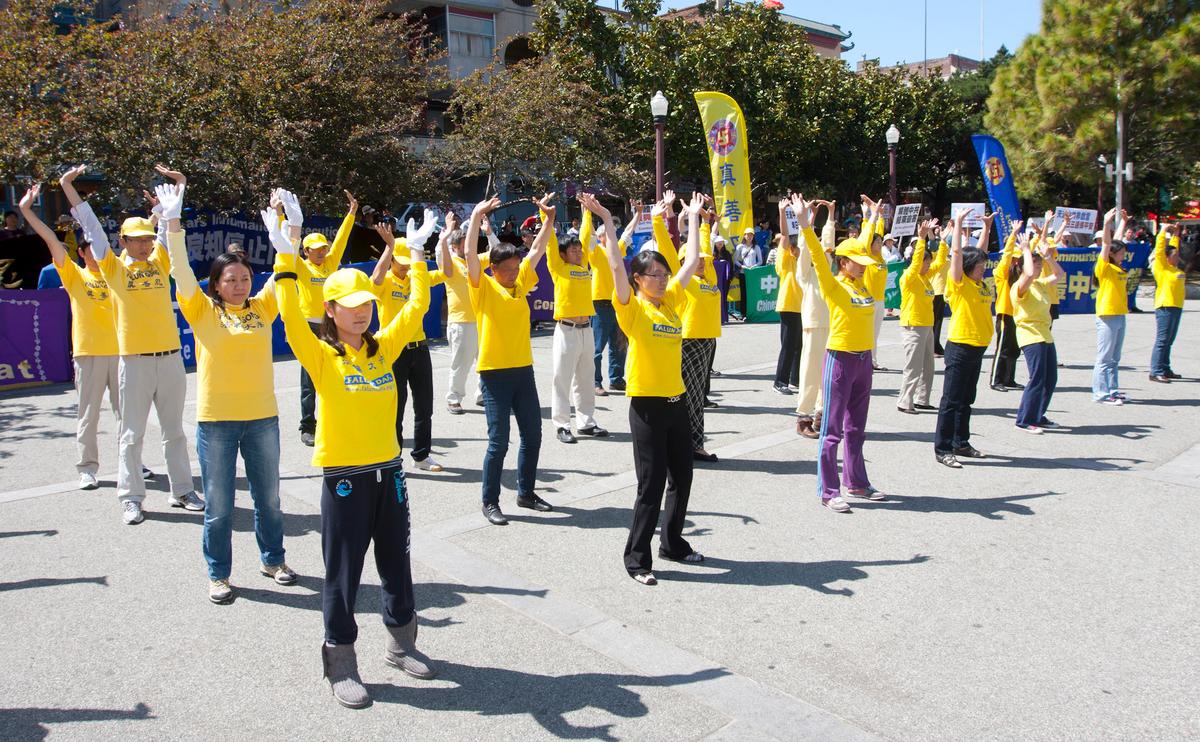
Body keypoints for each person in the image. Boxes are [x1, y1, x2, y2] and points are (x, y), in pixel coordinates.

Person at [270, 188, 436, 709]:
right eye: (351, 305)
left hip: (389, 474)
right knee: (343, 573)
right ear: (332, 309)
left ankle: (401, 642)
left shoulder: (384, 350)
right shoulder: (321, 356)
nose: (362, 312)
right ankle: (341, 660)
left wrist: (414, 252)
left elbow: (418, 304)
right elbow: (289, 314)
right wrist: (286, 252)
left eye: (367, 303)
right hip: (344, 477)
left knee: (397, 562)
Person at [162, 185, 295, 603]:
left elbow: (285, 268)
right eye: (230, 280)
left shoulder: (262, 307)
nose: (239, 285)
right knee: (218, 505)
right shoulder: (201, 310)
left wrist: (288, 230)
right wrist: (172, 223)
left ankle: (273, 559)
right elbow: (180, 269)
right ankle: (218, 573)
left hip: (262, 419)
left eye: (244, 278)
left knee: (269, 499)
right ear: (216, 285)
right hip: (217, 421)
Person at [62, 164, 203, 524]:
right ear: (122, 242)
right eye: (136, 239)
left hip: (170, 359)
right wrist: (68, 188)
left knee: (175, 432)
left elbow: (171, 226)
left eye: (147, 238)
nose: (144, 243)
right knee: (131, 435)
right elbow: (91, 227)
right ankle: (131, 497)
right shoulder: (114, 269)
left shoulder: (159, 262)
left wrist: (180, 187)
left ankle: (182, 490)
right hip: (135, 362)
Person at [586, 192, 705, 585]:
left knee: (683, 479)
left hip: (676, 402)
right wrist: (606, 218)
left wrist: (692, 221)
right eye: (655, 274)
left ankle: (673, 543)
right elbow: (616, 264)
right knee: (650, 486)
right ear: (639, 279)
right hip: (647, 407)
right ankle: (638, 560)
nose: (664, 278)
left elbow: (689, 261)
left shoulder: (671, 301)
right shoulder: (632, 308)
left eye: (663, 274)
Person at [788, 194, 889, 514]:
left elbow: (866, 245)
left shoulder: (864, 286)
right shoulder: (834, 285)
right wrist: (805, 225)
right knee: (831, 431)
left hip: (863, 362)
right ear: (844, 263)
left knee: (856, 428)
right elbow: (818, 255)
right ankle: (829, 489)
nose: (865, 266)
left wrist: (874, 219)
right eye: (857, 262)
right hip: (840, 361)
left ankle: (857, 481)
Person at [18, 186, 120, 491]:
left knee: (128, 415)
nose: (99, 255)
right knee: (88, 415)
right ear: (81, 252)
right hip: (89, 354)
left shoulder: (116, 273)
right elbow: (51, 240)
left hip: (122, 353)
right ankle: (88, 467)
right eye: (91, 250)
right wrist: (26, 211)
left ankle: (132, 461)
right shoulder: (75, 275)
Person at [464, 194, 556, 526]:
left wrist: (548, 220)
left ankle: (526, 492)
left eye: (516, 268)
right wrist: (476, 215)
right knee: (498, 441)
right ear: (493, 269)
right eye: (507, 269)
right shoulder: (483, 287)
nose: (514, 273)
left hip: (522, 371)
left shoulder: (520, 282)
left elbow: (538, 250)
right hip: (494, 374)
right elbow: (468, 257)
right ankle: (490, 501)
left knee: (533, 435)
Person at [369, 210, 444, 472]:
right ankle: (393, 456)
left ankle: (422, 455)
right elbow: (374, 281)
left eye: (407, 261)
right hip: (394, 350)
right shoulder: (385, 281)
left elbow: (445, 272)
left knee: (424, 406)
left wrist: (442, 240)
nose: (405, 266)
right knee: (395, 408)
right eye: (401, 261)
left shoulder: (416, 277)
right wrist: (389, 248)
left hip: (419, 348)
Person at [652, 192, 723, 462]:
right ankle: (690, 445)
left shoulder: (708, 277)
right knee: (690, 395)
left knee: (696, 395)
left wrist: (704, 222)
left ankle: (689, 444)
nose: (703, 262)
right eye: (697, 260)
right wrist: (661, 221)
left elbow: (703, 247)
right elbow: (669, 251)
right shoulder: (683, 281)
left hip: (707, 341)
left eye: (705, 259)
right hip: (689, 340)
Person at [295, 191, 360, 447]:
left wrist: (351, 214)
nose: (321, 252)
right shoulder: (301, 267)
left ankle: (336, 420)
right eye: (316, 249)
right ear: (306, 251)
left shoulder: (331, 263)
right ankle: (307, 426)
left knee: (338, 373)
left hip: (329, 327)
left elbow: (341, 239)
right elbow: (286, 248)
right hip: (309, 327)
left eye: (323, 248)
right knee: (309, 379)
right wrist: (280, 217)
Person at [934, 209, 995, 468]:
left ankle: (961, 442)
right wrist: (957, 225)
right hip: (960, 346)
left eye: (983, 266)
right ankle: (943, 448)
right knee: (951, 400)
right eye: (980, 267)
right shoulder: (959, 283)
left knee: (968, 398)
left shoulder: (979, 283)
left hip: (978, 346)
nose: (983, 268)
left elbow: (977, 254)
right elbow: (959, 255)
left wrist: (987, 229)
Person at [546, 196, 609, 444]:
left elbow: (585, 237)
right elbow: (550, 244)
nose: (578, 251)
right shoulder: (558, 267)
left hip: (586, 329)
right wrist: (546, 217)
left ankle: (586, 422)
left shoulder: (584, 266)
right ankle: (562, 424)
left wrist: (587, 213)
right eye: (572, 249)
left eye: (578, 249)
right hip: (566, 329)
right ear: (563, 254)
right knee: (562, 379)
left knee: (585, 378)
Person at [1011, 229, 1064, 433]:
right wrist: (1025, 249)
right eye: (1036, 265)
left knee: (1050, 378)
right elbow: (1029, 273)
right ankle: (1025, 419)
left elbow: (1059, 274)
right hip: (1030, 334)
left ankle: (1038, 415)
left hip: (1045, 334)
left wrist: (1049, 257)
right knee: (1037, 377)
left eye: (1040, 265)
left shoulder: (1040, 284)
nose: (1039, 269)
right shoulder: (1019, 286)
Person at [443, 214, 495, 414]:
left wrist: (489, 233)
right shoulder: (451, 263)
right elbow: (441, 254)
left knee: (484, 361)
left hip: (481, 319)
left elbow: (497, 252)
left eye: (470, 245)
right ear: (455, 246)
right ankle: (454, 398)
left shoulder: (475, 260)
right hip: (461, 322)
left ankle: (482, 394)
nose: (468, 249)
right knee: (461, 363)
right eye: (464, 245)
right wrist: (447, 233)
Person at [791, 199, 833, 439]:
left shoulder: (829, 273)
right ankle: (803, 417)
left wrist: (830, 216)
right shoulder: (806, 273)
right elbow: (807, 247)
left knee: (826, 375)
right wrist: (806, 221)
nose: (826, 256)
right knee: (809, 372)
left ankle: (821, 413)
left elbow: (826, 246)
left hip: (832, 326)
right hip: (813, 324)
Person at [896, 219, 947, 414]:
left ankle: (922, 399)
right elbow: (917, 263)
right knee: (913, 367)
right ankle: (904, 401)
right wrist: (922, 238)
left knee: (928, 367)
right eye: (925, 262)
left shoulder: (926, 277)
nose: (928, 265)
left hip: (927, 326)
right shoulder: (909, 277)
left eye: (927, 262)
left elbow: (941, 262)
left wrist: (943, 240)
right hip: (913, 326)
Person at [589, 206, 631, 397]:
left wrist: (638, 214)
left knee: (619, 344)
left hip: (617, 304)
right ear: (601, 237)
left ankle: (616, 379)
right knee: (597, 347)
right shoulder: (596, 251)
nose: (612, 234)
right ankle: (595, 381)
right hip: (600, 304)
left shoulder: (617, 250)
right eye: (608, 232)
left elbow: (628, 233)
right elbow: (588, 235)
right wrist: (586, 212)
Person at [1092, 208, 1130, 404]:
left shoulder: (1118, 266)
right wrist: (1106, 223)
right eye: (1121, 252)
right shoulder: (1104, 267)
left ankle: (1113, 389)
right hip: (1107, 315)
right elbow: (1108, 243)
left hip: (1120, 314)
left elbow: (1116, 241)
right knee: (1105, 358)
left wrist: (1123, 222)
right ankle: (1100, 393)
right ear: (1113, 254)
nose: (1124, 253)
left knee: (1115, 357)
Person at [1149, 224, 1186, 382]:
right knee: (1162, 340)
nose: (1177, 256)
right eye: (1174, 255)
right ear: (1167, 257)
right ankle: (1155, 370)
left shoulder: (1176, 269)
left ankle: (1165, 368)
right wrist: (1163, 231)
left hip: (1177, 307)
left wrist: (1176, 234)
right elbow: (1160, 249)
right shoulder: (1162, 267)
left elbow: (1174, 247)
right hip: (1165, 306)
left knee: (1169, 340)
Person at [773, 203, 803, 395]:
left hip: (802, 307)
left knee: (800, 344)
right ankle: (779, 381)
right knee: (788, 345)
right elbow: (784, 235)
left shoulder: (802, 261)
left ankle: (795, 380)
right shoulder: (785, 259)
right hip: (788, 305)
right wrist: (782, 212)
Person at [989, 228, 1022, 392]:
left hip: (1018, 315)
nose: (1016, 262)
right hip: (1004, 315)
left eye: (1018, 259)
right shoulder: (1001, 275)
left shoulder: (1020, 278)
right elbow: (1005, 259)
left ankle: (1009, 378)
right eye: (1014, 259)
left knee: (1014, 349)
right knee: (1002, 348)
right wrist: (1013, 236)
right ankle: (996, 380)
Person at [929, 224, 951, 357]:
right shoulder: (935, 255)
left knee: (938, 321)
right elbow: (932, 243)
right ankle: (931, 347)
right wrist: (931, 232)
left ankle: (936, 345)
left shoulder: (947, 257)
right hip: (935, 290)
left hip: (943, 291)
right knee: (933, 320)